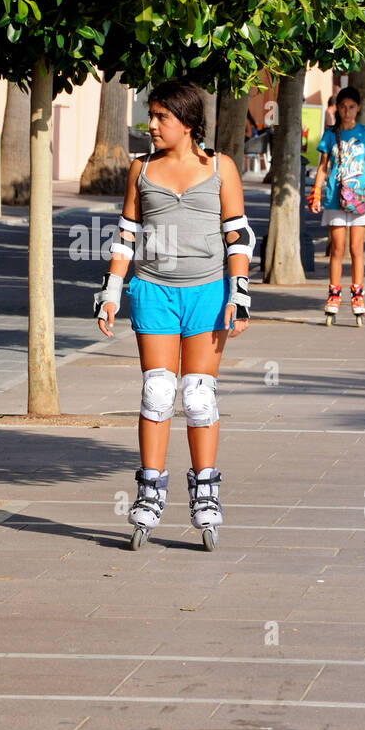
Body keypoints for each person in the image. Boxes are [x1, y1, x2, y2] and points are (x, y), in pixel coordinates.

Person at [94, 80, 255, 551]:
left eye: (162, 116)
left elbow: (237, 235)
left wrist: (238, 294)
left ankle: (205, 494)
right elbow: (126, 233)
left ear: (187, 122)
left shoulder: (220, 167)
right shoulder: (140, 169)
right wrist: (111, 290)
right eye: (153, 115)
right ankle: (149, 492)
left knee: (199, 397)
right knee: (158, 391)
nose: (153, 124)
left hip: (207, 293)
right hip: (154, 292)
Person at [307, 85, 365, 324]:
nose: (347, 112)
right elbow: (323, 167)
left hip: (361, 199)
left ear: (358, 108)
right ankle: (334, 294)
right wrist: (315, 191)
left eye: (351, 107)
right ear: (337, 108)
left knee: (357, 249)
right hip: (335, 197)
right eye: (343, 107)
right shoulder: (329, 136)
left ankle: (357, 294)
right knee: (337, 248)